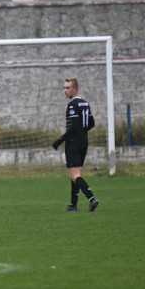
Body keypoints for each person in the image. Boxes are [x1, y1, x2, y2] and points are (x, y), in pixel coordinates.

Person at [53, 78, 99, 212]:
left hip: (73, 143)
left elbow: (72, 127)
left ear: (75, 89)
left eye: (68, 88)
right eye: (64, 88)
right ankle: (73, 204)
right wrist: (82, 133)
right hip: (84, 142)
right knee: (74, 173)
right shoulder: (85, 103)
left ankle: (91, 198)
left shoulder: (72, 105)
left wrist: (60, 140)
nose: (65, 91)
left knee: (75, 175)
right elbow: (91, 123)